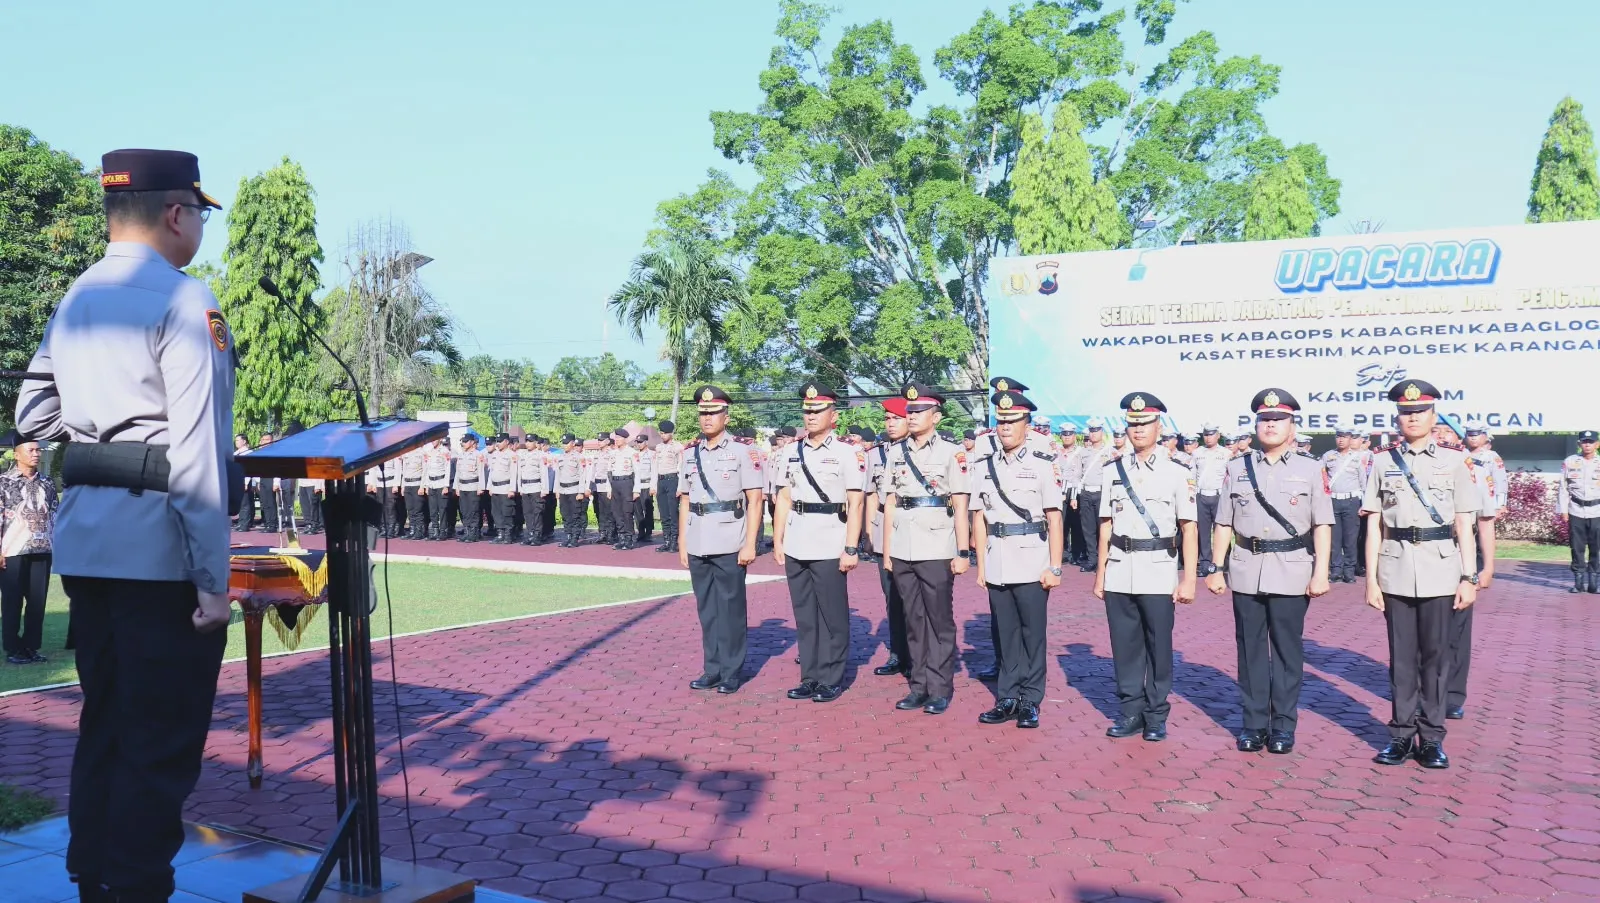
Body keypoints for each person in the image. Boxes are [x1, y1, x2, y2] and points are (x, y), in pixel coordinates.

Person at [16, 148, 235, 903]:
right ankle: (135, 887)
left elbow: (33, 413)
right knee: (160, 744)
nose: (200, 225)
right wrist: (213, 582)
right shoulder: (184, 301)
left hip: (88, 545)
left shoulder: (77, 296)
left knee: (106, 725)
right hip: (162, 557)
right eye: (199, 212)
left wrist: (100, 442)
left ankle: (92, 878)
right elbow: (199, 454)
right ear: (176, 213)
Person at [1205, 389, 1333, 754]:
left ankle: (1283, 727)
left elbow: (1322, 524)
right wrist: (1216, 568)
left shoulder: (1310, 468)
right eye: (1265, 419)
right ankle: (1254, 724)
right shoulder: (1237, 467)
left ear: (1292, 426)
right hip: (1246, 568)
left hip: (1293, 569)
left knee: (1288, 652)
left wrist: (1321, 571)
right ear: (1256, 425)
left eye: (1279, 420)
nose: (1271, 425)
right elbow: (1223, 524)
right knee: (1250, 651)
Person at [1363, 380, 1479, 769]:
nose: (1412, 417)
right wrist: (1371, 580)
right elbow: (1375, 524)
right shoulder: (1381, 461)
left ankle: (1431, 739)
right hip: (1395, 567)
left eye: (1420, 411)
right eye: (1405, 412)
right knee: (1401, 659)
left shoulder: (1455, 461)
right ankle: (1399, 736)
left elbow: (1465, 522)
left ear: (1433, 416)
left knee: (1435, 657)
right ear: (1397, 417)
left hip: (1442, 568)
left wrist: (1470, 576)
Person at [1093, 392, 1198, 742]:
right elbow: (1105, 524)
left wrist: (1189, 579)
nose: (1138, 430)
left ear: (1159, 426)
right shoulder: (1113, 470)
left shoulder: (1177, 471)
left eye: (1145, 424)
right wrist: (1100, 574)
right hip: (1120, 567)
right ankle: (1130, 711)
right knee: (1124, 645)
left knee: (1158, 646)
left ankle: (1156, 714)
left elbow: (1189, 528)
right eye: (1132, 424)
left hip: (1158, 568)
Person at [970, 389, 1063, 729]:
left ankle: (1030, 700)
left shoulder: (1041, 465)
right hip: (997, 558)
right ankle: (1007, 697)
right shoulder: (984, 466)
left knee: (1032, 634)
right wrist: (981, 564)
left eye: (1012, 420)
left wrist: (1055, 566)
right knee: (1005, 633)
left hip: (1032, 559)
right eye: (1001, 420)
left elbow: (1054, 518)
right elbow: (978, 518)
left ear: (1027, 424)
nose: (1005, 426)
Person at [881, 382, 971, 715]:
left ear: (936, 416)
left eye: (919, 411)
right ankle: (918, 685)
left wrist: (963, 552)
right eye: (910, 410)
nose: (912, 415)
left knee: (939, 620)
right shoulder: (895, 452)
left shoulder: (952, 453)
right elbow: (890, 502)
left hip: (937, 544)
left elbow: (960, 504)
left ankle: (940, 687)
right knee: (912, 619)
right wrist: (888, 551)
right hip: (903, 544)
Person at [772, 382, 865, 703]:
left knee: (832, 615)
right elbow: (783, 498)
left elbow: (856, 503)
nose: (810, 416)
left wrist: (851, 547)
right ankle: (809, 676)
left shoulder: (847, 453)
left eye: (817, 411)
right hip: (797, 539)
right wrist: (778, 539)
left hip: (830, 539)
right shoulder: (790, 451)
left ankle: (831, 677)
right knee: (805, 615)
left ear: (833, 416)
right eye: (807, 411)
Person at [679, 386, 763, 693]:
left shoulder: (743, 452)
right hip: (698, 538)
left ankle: (731, 671)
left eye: (713, 413)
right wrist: (682, 543)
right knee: (707, 609)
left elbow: (755, 500)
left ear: (725, 416)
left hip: (730, 539)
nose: (707, 419)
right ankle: (711, 668)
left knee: (730, 609)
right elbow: (685, 501)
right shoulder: (689, 454)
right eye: (703, 413)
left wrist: (751, 543)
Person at [1, 433, 59, 665]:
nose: (36, 454)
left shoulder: (47, 482)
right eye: (31, 450)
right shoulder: (4, 482)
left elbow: (56, 515)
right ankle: (13, 649)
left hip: (42, 549)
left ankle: (31, 647)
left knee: (37, 603)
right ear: (17, 454)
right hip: (13, 551)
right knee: (12, 602)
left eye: (38, 450)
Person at [865, 399, 911, 677]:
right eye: (887, 418)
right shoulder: (875, 455)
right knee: (892, 595)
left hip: (912, 525)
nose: (890, 423)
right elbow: (871, 495)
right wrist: (870, 533)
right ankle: (898, 654)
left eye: (897, 418)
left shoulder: (918, 451)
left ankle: (918, 654)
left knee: (915, 597)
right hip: (885, 526)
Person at [1558, 430, 1600, 594]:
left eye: (1591, 441)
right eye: (1584, 441)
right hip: (1576, 510)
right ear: (1579, 444)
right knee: (1577, 547)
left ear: (1597, 444)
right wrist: (1563, 510)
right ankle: (1578, 582)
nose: (1587, 444)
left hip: (1597, 511)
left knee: (1597, 548)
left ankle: (1594, 582)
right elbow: (1563, 487)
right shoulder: (1570, 462)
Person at [1073, 419, 1115, 573]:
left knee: (1103, 528)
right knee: (1088, 529)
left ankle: (1104, 561)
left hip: (1103, 493)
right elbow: (1077, 475)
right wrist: (1073, 497)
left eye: (1096, 430)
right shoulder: (1082, 452)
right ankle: (1092, 559)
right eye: (1091, 431)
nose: (1093, 433)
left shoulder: (1110, 451)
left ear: (1102, 432)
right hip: (1085, 493)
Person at [1192, 423, 1229, 577]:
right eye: (1206, 435)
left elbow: (1229, 477)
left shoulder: (1226, 453)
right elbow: (1192, 476)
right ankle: (1205, 564)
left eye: (1211, 434)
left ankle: (1224, 564)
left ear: (1218, 435)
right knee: (1203, 532)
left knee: (1222, 530)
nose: (1208, 437)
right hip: (1201, 495)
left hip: (1219, 496)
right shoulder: (1196, 453)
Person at [1057, 424, 1087, 567]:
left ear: (1075, 436)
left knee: (1076, 523)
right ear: (1060, 436)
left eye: (1070, 434)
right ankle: (1061, 552)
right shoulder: (1055, 451)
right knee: (1060, 523)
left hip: (1075, 491)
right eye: (1064, 434)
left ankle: (1076, 553)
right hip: (1060, 491)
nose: (1067, 436)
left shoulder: (1081, 452)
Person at [605, 428, 640, 550]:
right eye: (616, 438)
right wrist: (609, 488)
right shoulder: (613, 453)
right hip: (615, 483)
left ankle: (629, 538)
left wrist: (636, 489)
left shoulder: (631, 452)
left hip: (627, 483)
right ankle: (621, 538)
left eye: (619, 438)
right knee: (617, 512)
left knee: (627, 512)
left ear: (625, 439)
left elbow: (637, 471)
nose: (616, 440)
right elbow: (609, 472)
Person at [555, 434, 591, 547]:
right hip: (563, 490)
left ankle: (575, 538)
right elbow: (557, 475)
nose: (564, 445)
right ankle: (568, 536)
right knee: (565, 514)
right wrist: (557, 490)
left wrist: (581, 492)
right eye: (563, 443)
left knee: (575, 515)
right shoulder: (560, 457)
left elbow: (582, 475)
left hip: (574, 490)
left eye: (567, 443)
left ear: (573, 443)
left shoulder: (579, 457)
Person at [654, 421, 684, 552]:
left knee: (673, 513)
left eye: (664, 433)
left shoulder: (678, 447)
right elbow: (655, 467)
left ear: (671, 433)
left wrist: (680, 487)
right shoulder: (658, 447)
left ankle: (674, 542)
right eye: (660, 433)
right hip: (661, 481)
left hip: (673, 480)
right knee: (664, 513)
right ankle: (666, 540)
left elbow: (682, 468)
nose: (662, 435)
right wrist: (653, 485)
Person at [516, 434, 550, 545]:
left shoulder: (541, 455)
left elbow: (544, 473)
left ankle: (537, 536)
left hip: (536, 487)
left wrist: (544, 489)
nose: (527, 443)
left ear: (536, 443)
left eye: (530, 441)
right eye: (526, 441)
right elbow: (520, 473)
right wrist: (520, 487)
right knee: (527, 513)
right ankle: (530, 534)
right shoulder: (523, 455)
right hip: (525, 488)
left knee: (537, 513)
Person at [454, 433, 486, 542]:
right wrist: (457, 487)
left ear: (472, 442)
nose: (463, 443)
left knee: (473, 510)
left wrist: (480, 487)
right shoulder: (461, 455)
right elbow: (458, 473)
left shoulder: (478, 455)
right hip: (462, 486)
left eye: (466, 441)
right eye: (462, 441)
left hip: (473, 486)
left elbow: (481, 472)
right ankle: (467, 531)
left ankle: (474, 533)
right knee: (464, 510)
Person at [422, 436, 450, 540]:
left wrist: (446, 485)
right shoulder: (429, 451)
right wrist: (426, 485)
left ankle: (443, 531)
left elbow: (448, 469)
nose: (433, 441)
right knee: (433, 509)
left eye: (434, 439)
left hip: (441, 483)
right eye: (431, 439)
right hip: (431, 483)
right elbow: (427, 469)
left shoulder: (444, 451)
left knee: (442, 509)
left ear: (439, 440)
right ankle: (435, 530)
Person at [400, 439, 428, 540]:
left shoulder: (422, 453)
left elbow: (425, 470)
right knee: (410, 509)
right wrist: (403, 486)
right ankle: (412, 530)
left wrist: (422, 486)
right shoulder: (406, 453)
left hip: (417, 483)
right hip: (407, 484)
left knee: (417, 509)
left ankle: (419, 531)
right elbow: (404, 470)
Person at [633, 431, 655, 545]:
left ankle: (649, 532)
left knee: (648, 510)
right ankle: (641, 532)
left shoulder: (651, 454)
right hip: (636, 487)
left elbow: (654, 471)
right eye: (637, 442)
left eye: (641, 442)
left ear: (646, 442)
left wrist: (653, 486)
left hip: (647, 485)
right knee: (637, 511)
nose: (639, 444)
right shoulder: (634, 455)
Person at [232, 434, 256, 531]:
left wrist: (246, 482)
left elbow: (248, 469)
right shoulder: (237, 453)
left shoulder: (248, 453)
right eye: (236, 440)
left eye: (238, 440)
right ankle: (241, 522)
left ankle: (245, 524)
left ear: (244, 441)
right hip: (237, 480)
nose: (236, 442)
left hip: (245, 480)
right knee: (241, 503)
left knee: (245, 503)